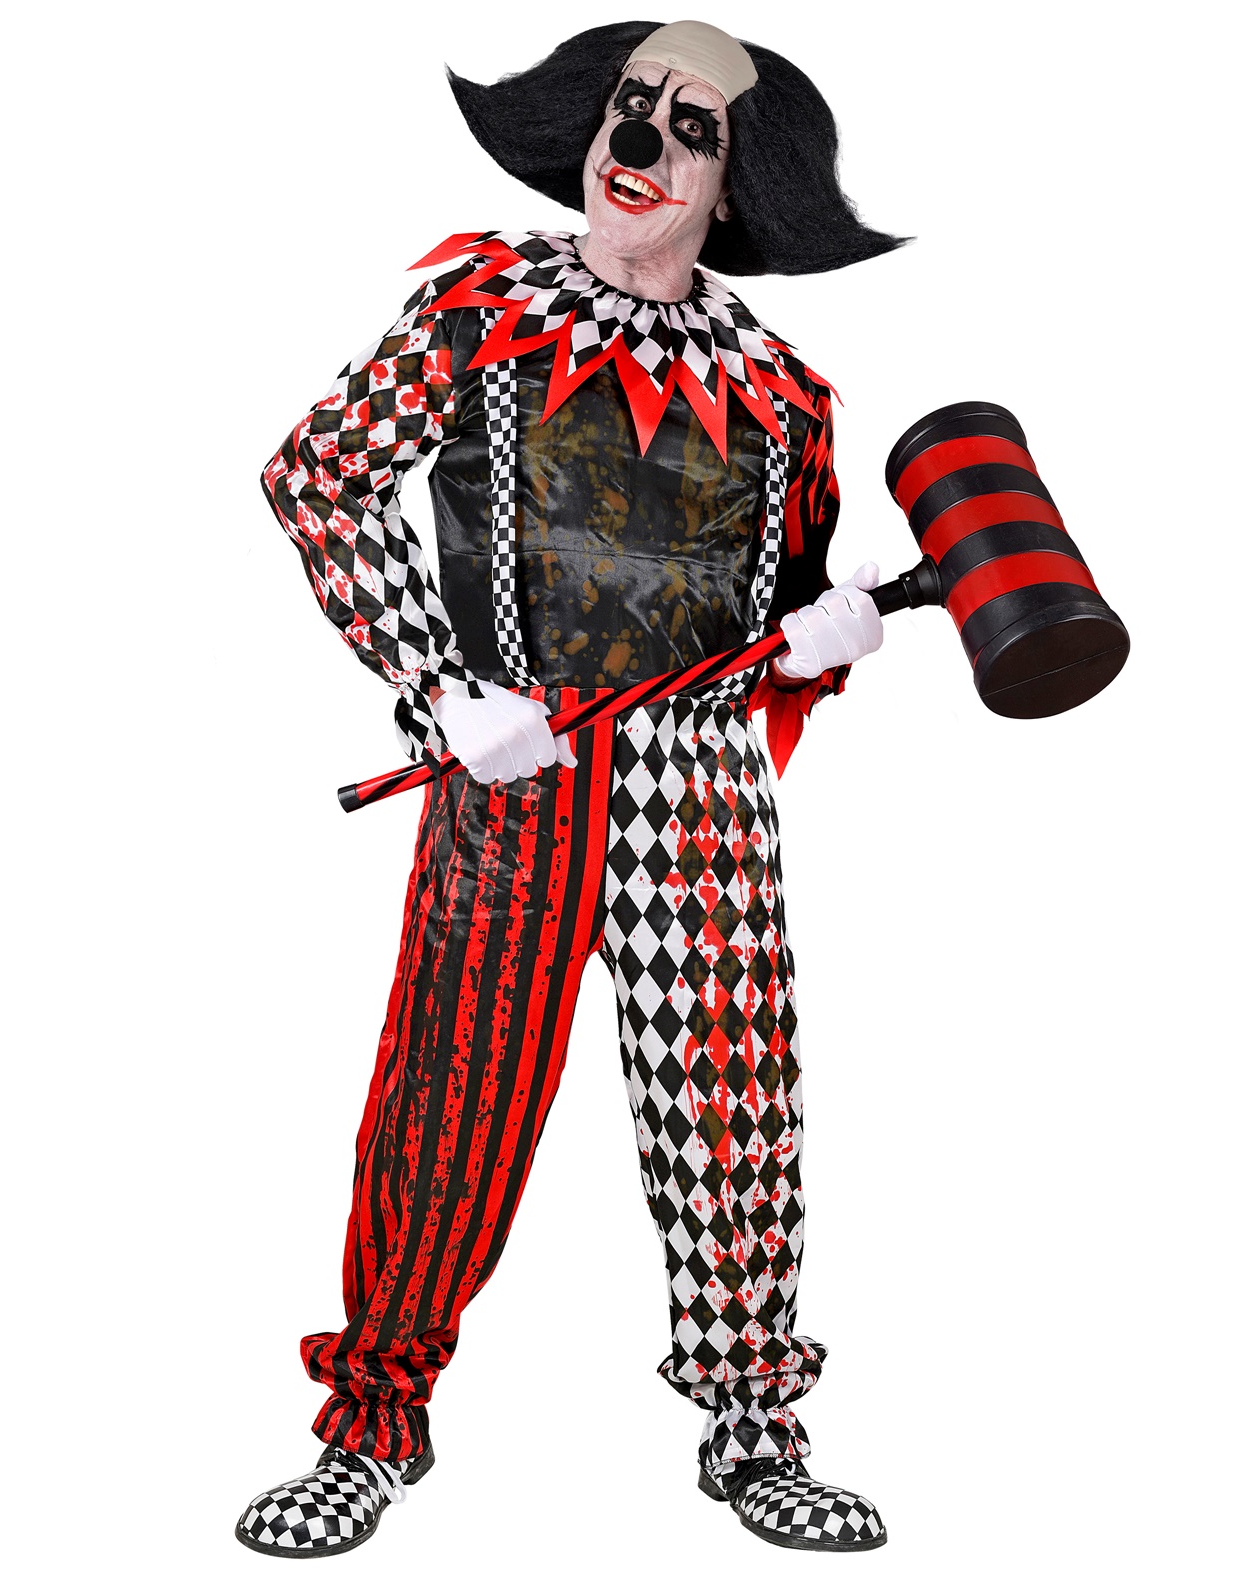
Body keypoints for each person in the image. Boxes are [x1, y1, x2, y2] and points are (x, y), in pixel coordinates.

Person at [237, 20, 902, 1557]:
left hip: (701, 790)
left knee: (731, 1110)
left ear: (733, 187)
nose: (645, 142)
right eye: (631, 107)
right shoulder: (483, 311)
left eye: (692, 129)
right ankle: (371, 1423)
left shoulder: (782, 391)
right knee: (448, 1098)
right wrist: (440, 684)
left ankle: (752, 1427)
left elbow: (775, 626)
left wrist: (823, 638)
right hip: (517, 774)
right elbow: (315, 475)